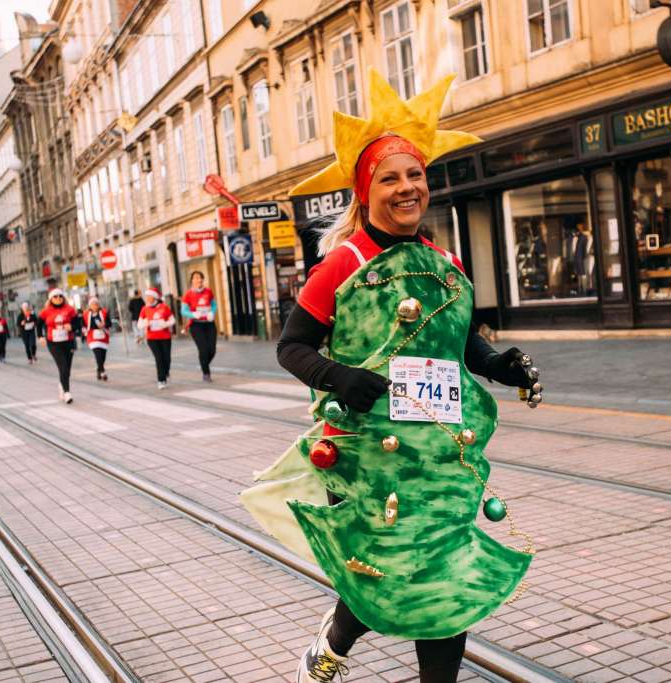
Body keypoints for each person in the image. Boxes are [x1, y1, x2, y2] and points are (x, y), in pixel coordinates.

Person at [242, 71, 545, 683]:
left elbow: (457, 346)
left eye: (415, 175)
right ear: (366, 190)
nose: (408, 188)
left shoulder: (445, 263)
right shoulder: (344, 263)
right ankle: (331, 642)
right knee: (378, 568)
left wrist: (497, 365)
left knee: (444, 578)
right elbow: (292, 346)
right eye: (391, 178)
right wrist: (338, 377)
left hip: (436, 450)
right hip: (365, 454)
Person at [37, 288, 78, 403]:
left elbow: (77, 322)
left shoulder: (70, 309)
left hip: (68, 341)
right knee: (63, 365)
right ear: (51, 299)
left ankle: (62, 384)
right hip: (53, 342)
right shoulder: (46, 311)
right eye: (55, 297)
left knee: (67, 369)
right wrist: (40, 336)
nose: (58, 298)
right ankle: (67, 393)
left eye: (60, 296)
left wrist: (72, 327)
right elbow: (38, 324)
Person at [180, 272, 217, 382]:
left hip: (209, 324)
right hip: (196, 325)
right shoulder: (188, 294)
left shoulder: (208, 291)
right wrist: (193, 314)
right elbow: (183, 311)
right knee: (203, 350)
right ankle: (206, 373)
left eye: (200, 277)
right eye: (196, 278)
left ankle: (203, 364)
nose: (199, 280)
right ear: (192, 280)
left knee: (212, 350)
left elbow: (214, 305)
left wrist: (212, 313)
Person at [139, 288, 174, 389]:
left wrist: (165, 324)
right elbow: (139, 324)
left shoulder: (164, 307)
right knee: (158, 358)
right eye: (147, 296)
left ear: (155, 297)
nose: (147, 298)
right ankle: (161, 380)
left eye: (149, 296)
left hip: (165, 337)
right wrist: (146, 323)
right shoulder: (144, 309)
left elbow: (173, 320)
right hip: (152, 338)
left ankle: (166, 372)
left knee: (167, 358)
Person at [82, 297, 111, 381]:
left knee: (103, 356)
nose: (95, 306)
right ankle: (103, 372)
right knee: (98, 354)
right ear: (90, 306)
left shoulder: (104, 313)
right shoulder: (86, 314)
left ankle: (99, 369)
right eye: (93, 304)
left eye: (96, 304)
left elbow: (109, 323)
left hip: (103, 336)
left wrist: (104, 324)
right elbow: (83, 325)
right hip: (92, 337)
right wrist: (84, 330)